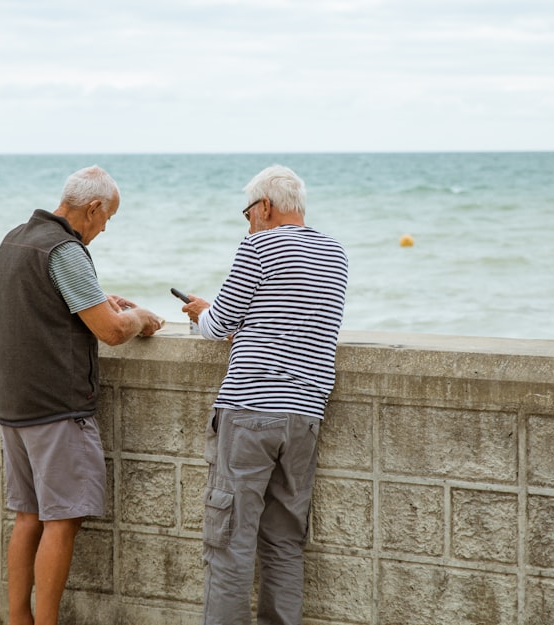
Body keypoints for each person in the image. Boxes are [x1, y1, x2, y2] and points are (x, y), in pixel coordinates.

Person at [0, 165, 164, 625]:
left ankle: (18, 620)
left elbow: (45, 306)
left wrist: (101, 300)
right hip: (56, 408)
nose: (104, 229)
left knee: (27, 518)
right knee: (61, 522)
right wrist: (141, 318)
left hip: (14, 406)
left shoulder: (15, 239)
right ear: (92, 208)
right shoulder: (65, 250)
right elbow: (110, 332)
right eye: (106, 219)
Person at [180, 164, 349, 625]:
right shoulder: (336, 253)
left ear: (266, 206)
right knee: (284, 542)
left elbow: (218, 327)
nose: (247, 220)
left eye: (248, 210)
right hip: (305, 415)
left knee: (229, 539)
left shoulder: (258, 245)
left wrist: (200, 312)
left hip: (250, 411)